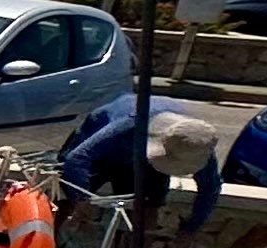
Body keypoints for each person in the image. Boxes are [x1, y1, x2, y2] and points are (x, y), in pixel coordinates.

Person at [58, 86, 224, 235]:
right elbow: (78, 158)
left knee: (148, 211)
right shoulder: (129, 125)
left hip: (147, 158)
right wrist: (81, 200)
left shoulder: (196, 145)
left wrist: (190, 228)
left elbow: (210, 188)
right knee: (64, 200)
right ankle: (50, 245)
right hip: (106, 148)